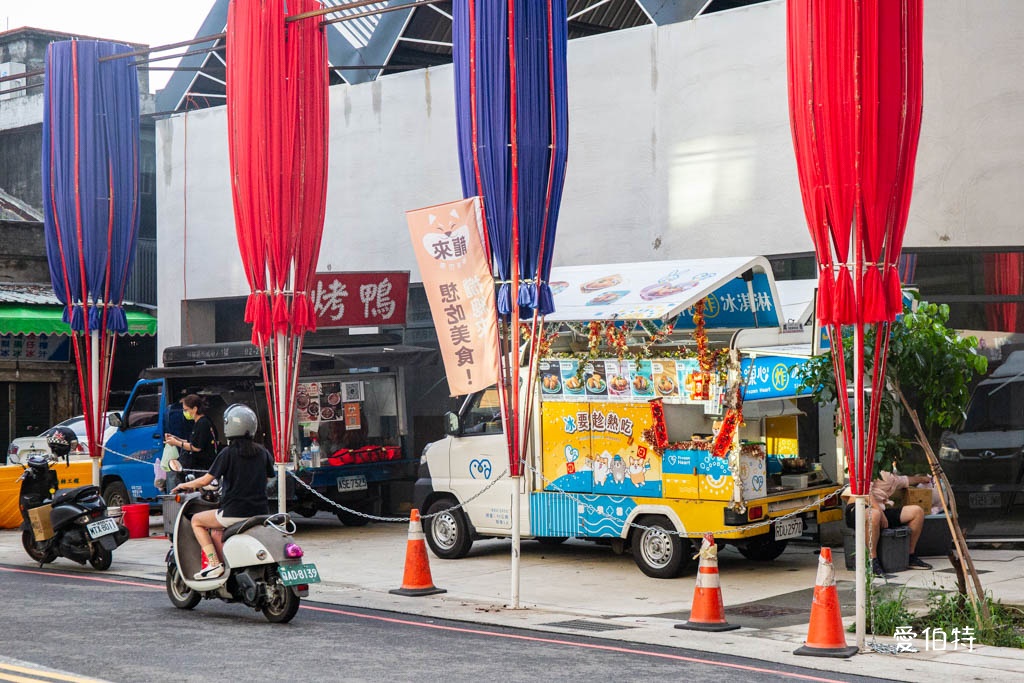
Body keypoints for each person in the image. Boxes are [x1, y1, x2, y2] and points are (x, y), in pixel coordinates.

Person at [172, 403, 275, 580]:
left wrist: (184, 486)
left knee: (197, 521)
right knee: (216, 530)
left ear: (229, 426)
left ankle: (214, 565)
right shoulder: (263, 452)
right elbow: (267, 478)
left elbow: (206, 480)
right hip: (260, 512)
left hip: (234, 512)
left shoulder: (227, 453)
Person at [843, 469, 934, 574]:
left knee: (917, 511)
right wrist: (881, 514)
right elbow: (864, 491)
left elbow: (906, 480)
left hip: (879, 509)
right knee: (875, 514)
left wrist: (923, 479)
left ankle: (909, 556)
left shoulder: (891, 475)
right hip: (858, 507)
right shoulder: (872, 466)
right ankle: (872, 560)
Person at [164, 395, 218, 476]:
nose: (184, 412)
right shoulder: (200, 422)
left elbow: (196, 447)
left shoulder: (202, 423)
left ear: (195, 409)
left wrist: (176, 443)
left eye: (186, 410)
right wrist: (176, 439)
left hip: (203, 466)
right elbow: (191, 441)